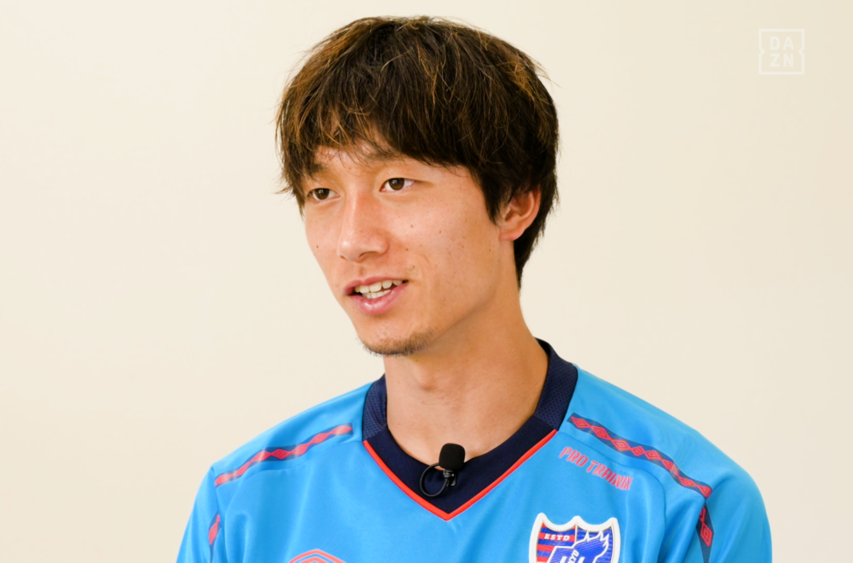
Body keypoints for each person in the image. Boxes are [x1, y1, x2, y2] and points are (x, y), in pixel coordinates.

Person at [177, 15, 771, 563]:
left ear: (514, 202)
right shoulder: (244, 507)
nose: (352, 241)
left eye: (396, 182)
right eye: (322, 193)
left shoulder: (683, 507)